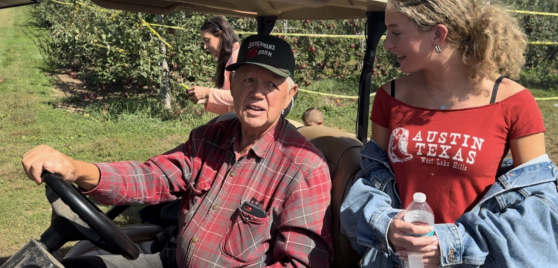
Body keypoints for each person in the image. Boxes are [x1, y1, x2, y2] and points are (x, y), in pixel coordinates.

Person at [23, 35, 333, 268]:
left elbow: (300, 263)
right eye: (248, 79)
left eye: (271, 84)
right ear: (233, 84)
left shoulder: (304, 168)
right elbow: (153, 177)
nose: (256, 93)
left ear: (291, 93)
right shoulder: (213, 135)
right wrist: (77, 169)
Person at [340, 0, 558, 268]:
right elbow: (372, 178)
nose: (387, 44)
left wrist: (449, 245)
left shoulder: (514, 102)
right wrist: (387, 224)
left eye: (396, 33)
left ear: (437, 34)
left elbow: (537, 210)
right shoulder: (389, 97)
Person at [187, 16, 240, 114]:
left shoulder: (236, 56)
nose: (205, 46)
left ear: (221, 35)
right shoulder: (228, 58)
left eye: (207, 40)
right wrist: (205, 99)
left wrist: (208, 92)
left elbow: (238, 96)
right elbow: (230, 105)